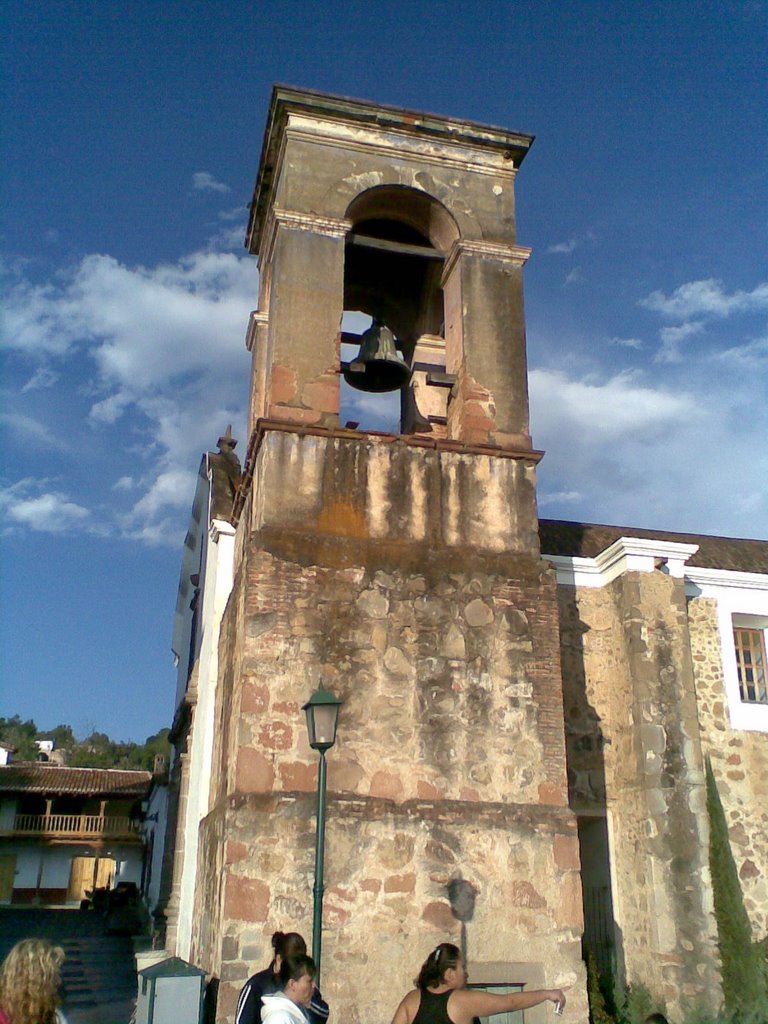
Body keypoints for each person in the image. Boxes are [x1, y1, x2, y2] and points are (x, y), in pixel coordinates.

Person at [391, 943, 566, 1024]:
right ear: (450, 974)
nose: (466, 973)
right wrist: (548, 994)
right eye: (462, 967)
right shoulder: (461, 1001)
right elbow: (510, 1002)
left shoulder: (411, 999)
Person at [236, 931, 329, 1024]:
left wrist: (308, 1001)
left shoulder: (304, 985)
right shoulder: (256, 985)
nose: (296, 967)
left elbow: (323, 1014)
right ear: (279, 959)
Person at [0, 938, 68, 1024]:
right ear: (33, 982)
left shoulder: (53, 1015)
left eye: (57, 975)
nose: (58, 982)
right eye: (51, 977)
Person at [261, 955, 318, 1024]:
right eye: (309, 981)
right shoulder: (279, 1019)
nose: (313, 986)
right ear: (292, 984)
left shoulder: (297, 1014)